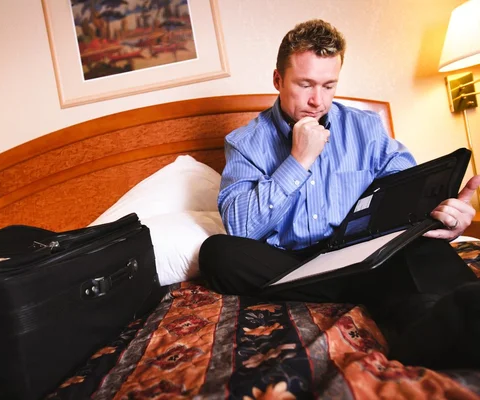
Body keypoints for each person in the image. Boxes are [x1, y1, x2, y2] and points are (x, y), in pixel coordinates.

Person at [199, 19, 480, 369]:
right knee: (216, 253)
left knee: (422, 245)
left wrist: (444, 214)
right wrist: (298, 161)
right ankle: (367, 287)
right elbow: (242, 227)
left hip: (362, 250)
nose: (318, 101)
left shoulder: (366, 127)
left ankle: (447, 329)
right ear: (278, 80)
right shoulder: (245, 144)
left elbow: (406, 191)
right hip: (295, 262)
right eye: (305, 85)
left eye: (328, 86)